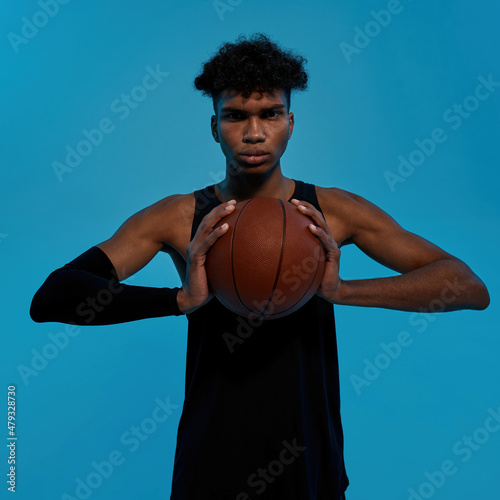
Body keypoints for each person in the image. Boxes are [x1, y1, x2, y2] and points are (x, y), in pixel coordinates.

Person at [30, 34, 490, 500]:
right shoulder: (178, 217)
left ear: (290, 123)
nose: (254, 133)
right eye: (235, 116)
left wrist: (342, 290)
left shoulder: (331, 211)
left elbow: (469, 286)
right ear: (214, 126)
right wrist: (178, 300)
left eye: (269, 114)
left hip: (310, 461)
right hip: (211, 462)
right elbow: (53, 296)